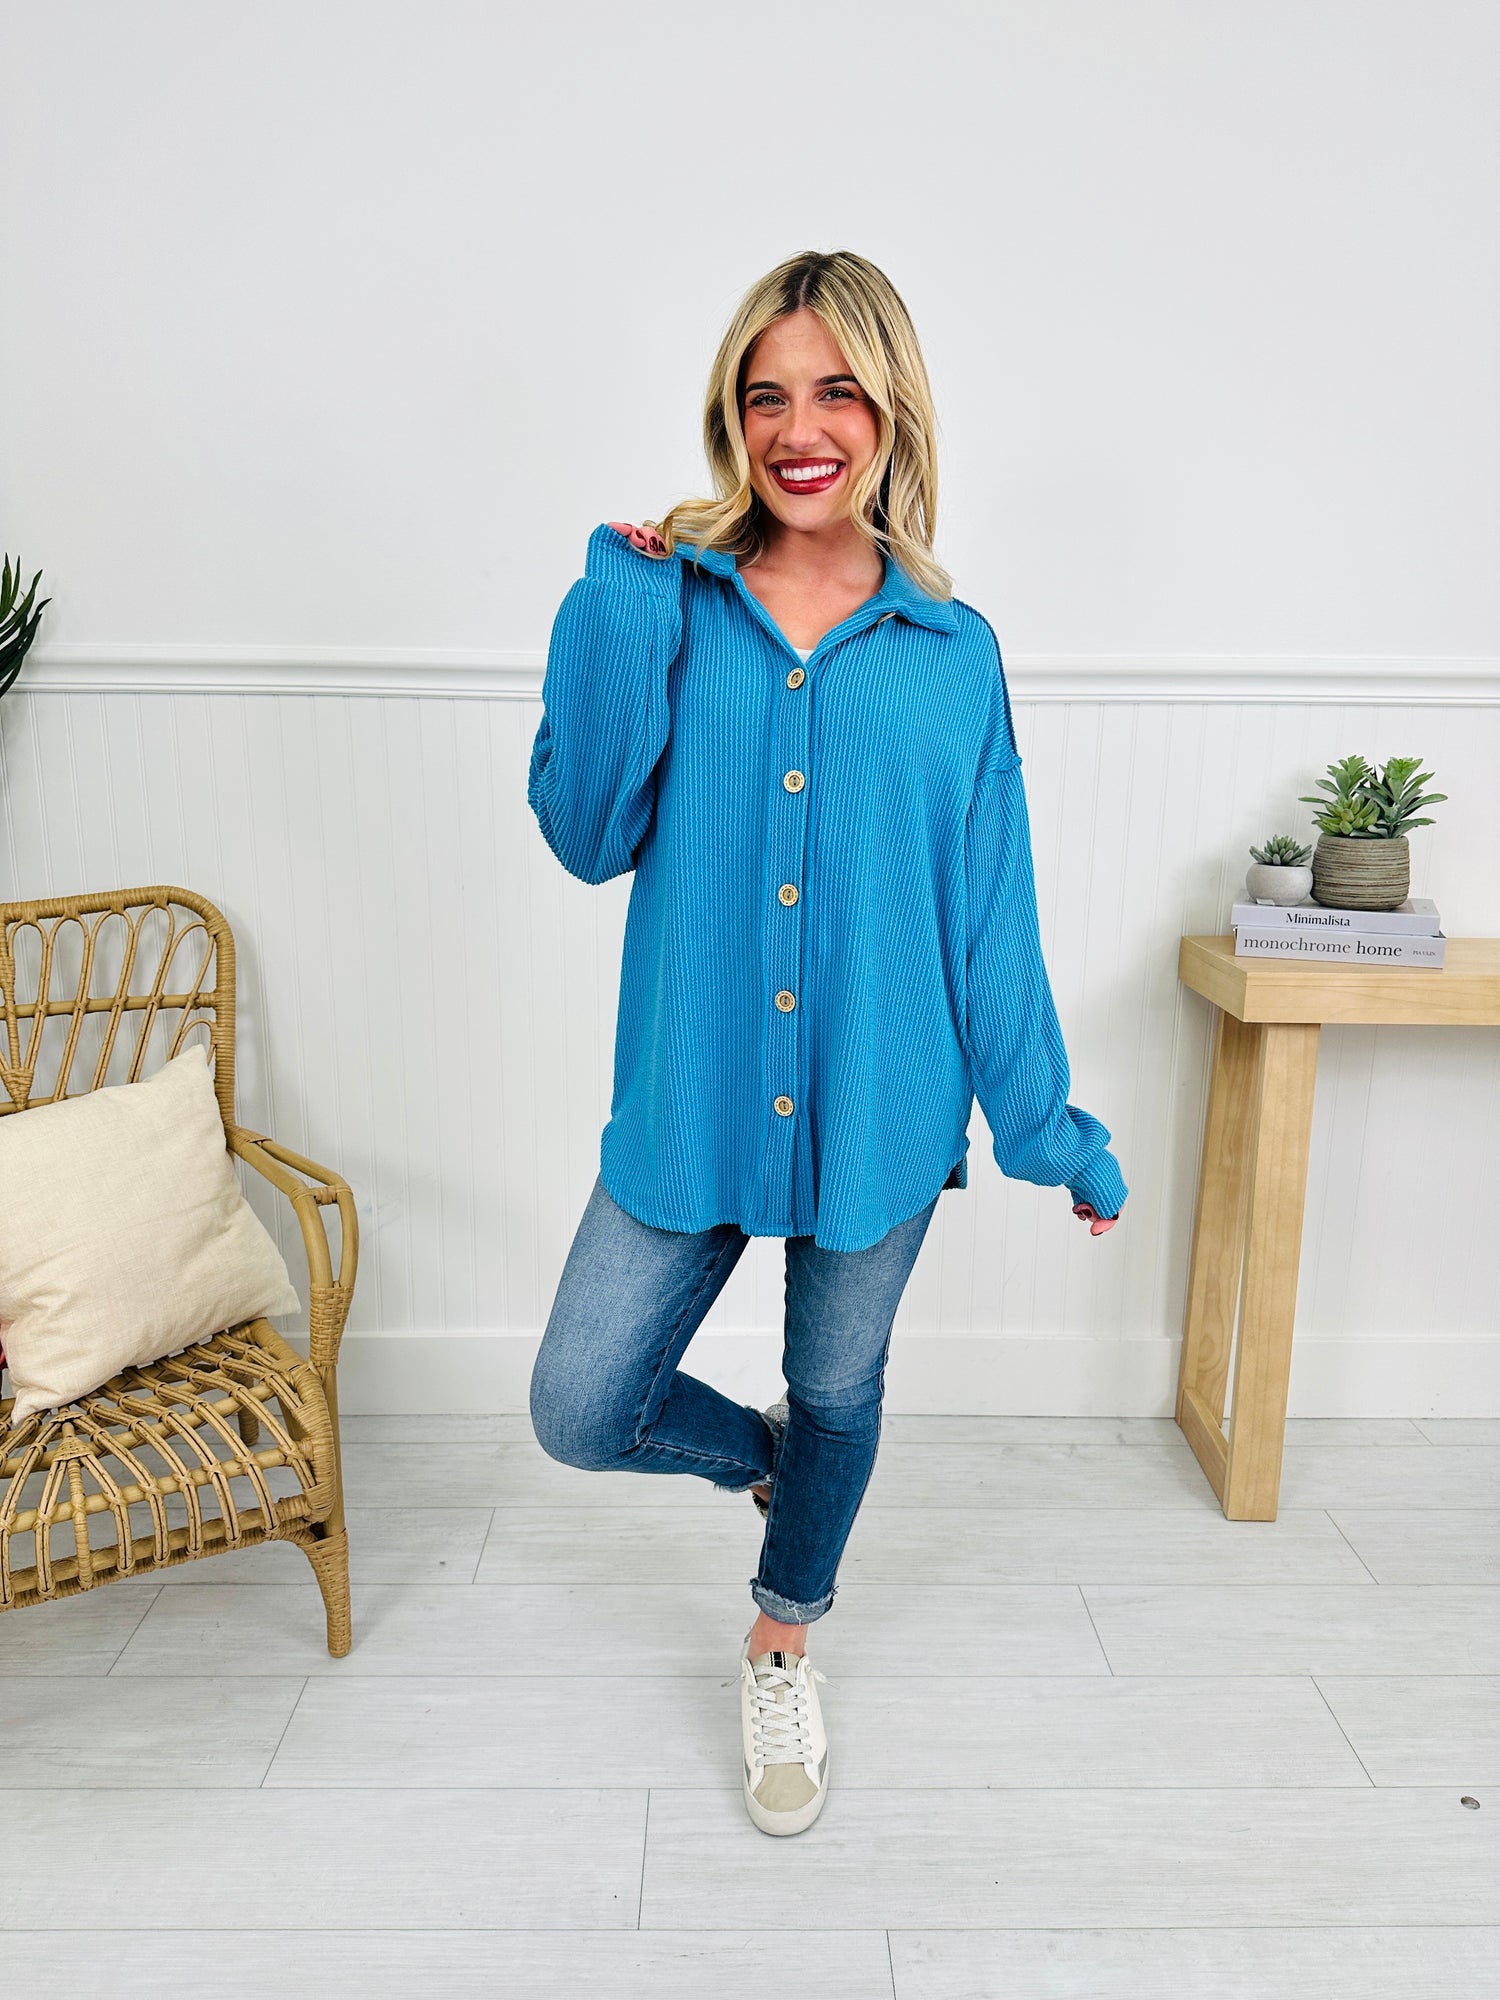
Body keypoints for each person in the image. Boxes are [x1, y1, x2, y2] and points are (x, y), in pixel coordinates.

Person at [526, 249, 1126, 1838]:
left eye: (837, 391)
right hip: (697, 1096)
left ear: (891, 410)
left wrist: (1053, 1132)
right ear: (732, 417)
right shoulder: (668, 599)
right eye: (766, 395)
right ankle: (768, 1464)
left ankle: (783, 1638)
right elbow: (584, 836)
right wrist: (613, 610)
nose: (801, 429)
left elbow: (990, 917)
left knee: (839, 1385)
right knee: (580, 1405)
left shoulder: (954, 652)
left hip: (882, 1104)